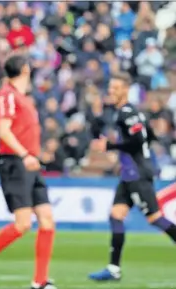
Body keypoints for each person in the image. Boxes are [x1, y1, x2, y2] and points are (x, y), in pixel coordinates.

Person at [0, 55, 56, 289]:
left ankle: (39, 282)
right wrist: (25, 154)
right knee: (23, 224)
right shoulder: (8, 95)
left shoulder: (20, 96)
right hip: (16, 162)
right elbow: (3, 131)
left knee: (47, 221)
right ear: (26, 69)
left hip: (30, 162)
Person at [88, 72, 176, 281]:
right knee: (116, 215)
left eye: (115, 88)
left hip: (137, 174)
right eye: (110, 88)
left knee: (155, 218)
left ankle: (113, 268)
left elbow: (136, 141)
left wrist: (110, 145)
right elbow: (149, 136)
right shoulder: (133, 113)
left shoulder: (126, 113)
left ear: (125, 89)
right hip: (129, 174)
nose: (111, 91)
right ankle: (113, 269)